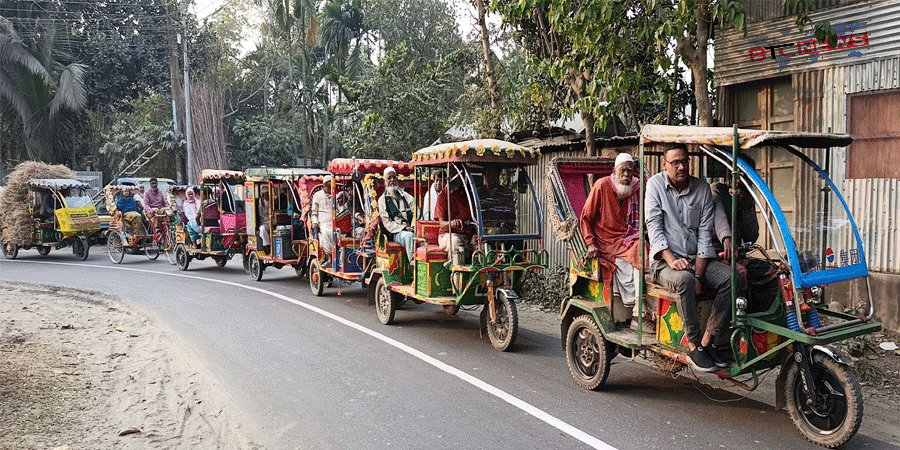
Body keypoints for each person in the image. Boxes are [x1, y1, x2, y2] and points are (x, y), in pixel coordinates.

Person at [645, 143, 733, 372]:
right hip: (664, 261)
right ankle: (693, 346)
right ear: (665, 164)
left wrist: (700, 276)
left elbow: (705, 234)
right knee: (683, 279)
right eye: (675, 162)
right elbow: (654, 227)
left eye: (684, 161)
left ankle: (707, 341)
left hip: (696, 259)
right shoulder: (654, 185)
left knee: (731, 278)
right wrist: (672, 259)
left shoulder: (702, 188)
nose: (681, 166)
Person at [579, 153, 653, 332]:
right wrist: (590, 244)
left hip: (628, 238)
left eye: (630, 171)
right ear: (614, 171)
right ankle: (638, 315)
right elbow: (585, 218)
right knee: (639, 251)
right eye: (622, 171)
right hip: (605, 242)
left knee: (646, 250)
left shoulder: (637, 188)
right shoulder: (601, 186)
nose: (626, 175)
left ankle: (649, 309)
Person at [378, 166, 416, 261]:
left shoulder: (406, 197)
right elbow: (387, 223)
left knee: (423, 238)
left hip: (411, 229)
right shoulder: (382, 200)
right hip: (396, 233)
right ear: (384, 181)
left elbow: (416, 212)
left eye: (394, 177)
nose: (392, 180)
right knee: (409, 236)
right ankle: (413, 263)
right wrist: (404, 228)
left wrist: (414, 227)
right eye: (389, 178)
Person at [435, 173, 476, 259]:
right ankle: (457, 271)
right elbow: (442, 224)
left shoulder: (470, 195)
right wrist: (452, 223)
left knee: (484, 243)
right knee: (455, 242)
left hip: (469, 234)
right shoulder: (443, 195)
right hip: (449, 234)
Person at [477, 167, 516, 234]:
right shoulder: (477, 192)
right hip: (481, 230)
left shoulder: (506, 193)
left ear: (498, 176)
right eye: (489, 174)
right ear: (485, 176)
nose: (491, 177)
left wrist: (504, 226)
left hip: (501, 230)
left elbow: (511, 215)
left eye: (494, 175)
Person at [310, 175, 334, 261]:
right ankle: (330, 258)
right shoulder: (317, 195)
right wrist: (315, 222)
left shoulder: (335, 194)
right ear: (324, 185)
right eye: (328, 186)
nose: (330, 189)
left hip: (336, 221)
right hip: (323, 223)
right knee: (327, 232)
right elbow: (314, 213)